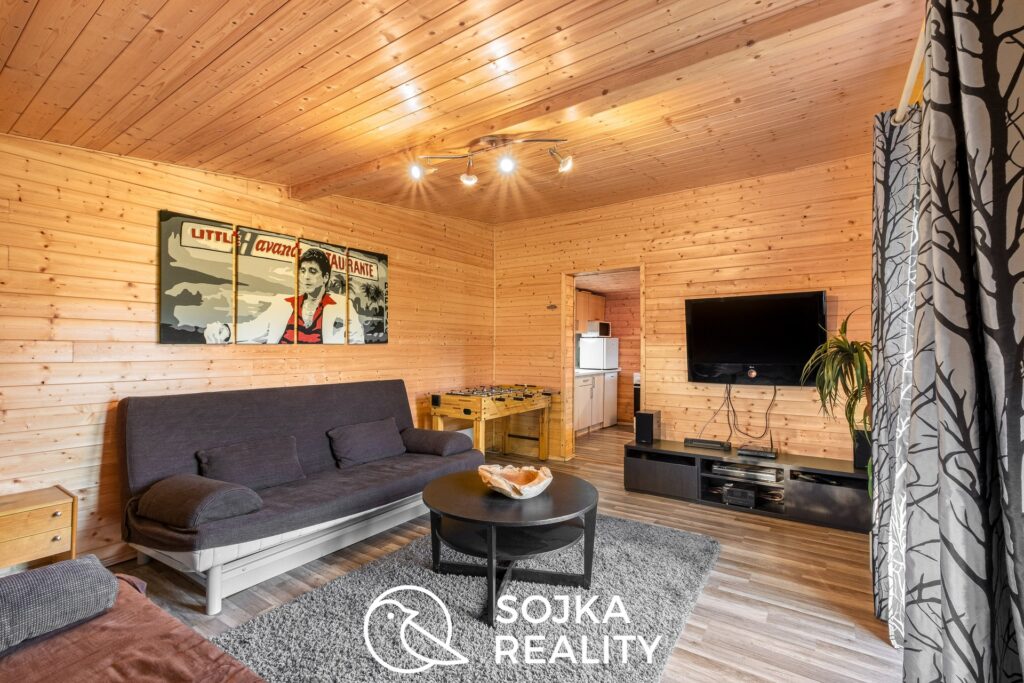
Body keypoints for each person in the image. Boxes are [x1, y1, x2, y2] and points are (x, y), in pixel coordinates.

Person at [204, 248, 363, 344]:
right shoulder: (284, 304)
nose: (306, 277)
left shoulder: (342, 306)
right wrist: (225, 330)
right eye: (303, 271)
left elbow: (357, 343)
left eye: (313, 271)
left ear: (325, 277)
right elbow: (254, 327)